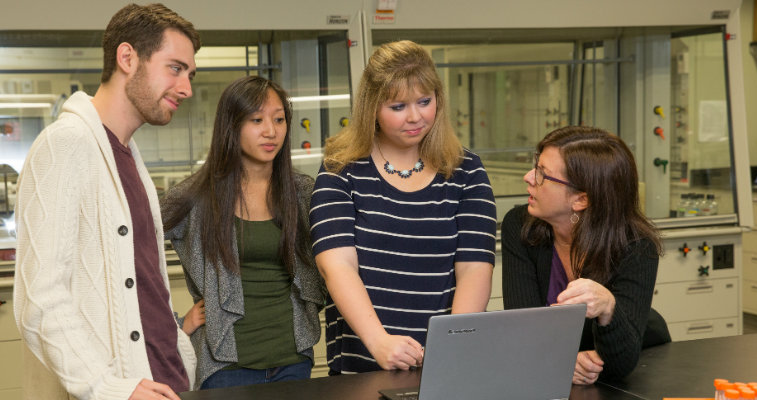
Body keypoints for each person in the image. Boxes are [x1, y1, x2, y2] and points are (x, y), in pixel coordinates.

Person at [13, 4, 200, 399]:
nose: (186, 88)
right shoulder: (65, 145)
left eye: (190, 74)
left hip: (167, 382)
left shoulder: (128, 156)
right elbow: (40, 300)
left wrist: (180, 354)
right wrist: (109, 388)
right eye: (175, 68)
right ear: (128, 58)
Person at [309, 40, 497, 375]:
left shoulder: (466, 169)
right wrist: (379, 341)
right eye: (398, 107)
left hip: (443, 364)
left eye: (425, 102)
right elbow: (337, 266)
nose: (415, 117)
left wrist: (450, 345)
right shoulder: (341, 168)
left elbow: (474, 268)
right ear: (372, 108)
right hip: (362, 363)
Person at [161, 76, 326, 389]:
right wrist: (176, 324)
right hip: (226, 366)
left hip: (293, 359)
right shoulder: (195, 197)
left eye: (279, 120)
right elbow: (132, 251)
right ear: (232, 126)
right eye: (257, 120)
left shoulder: (302, 192)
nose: (271, 131)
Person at [501, 126, 664, 385]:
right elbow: (523, 330)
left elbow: (620, 365)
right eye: (536, 166)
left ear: (580, 200)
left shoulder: (636, 246)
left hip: (635, 362)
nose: (528, 177)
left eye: (543, 174)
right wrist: (562, 361)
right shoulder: (520, 227)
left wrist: (608, 308)